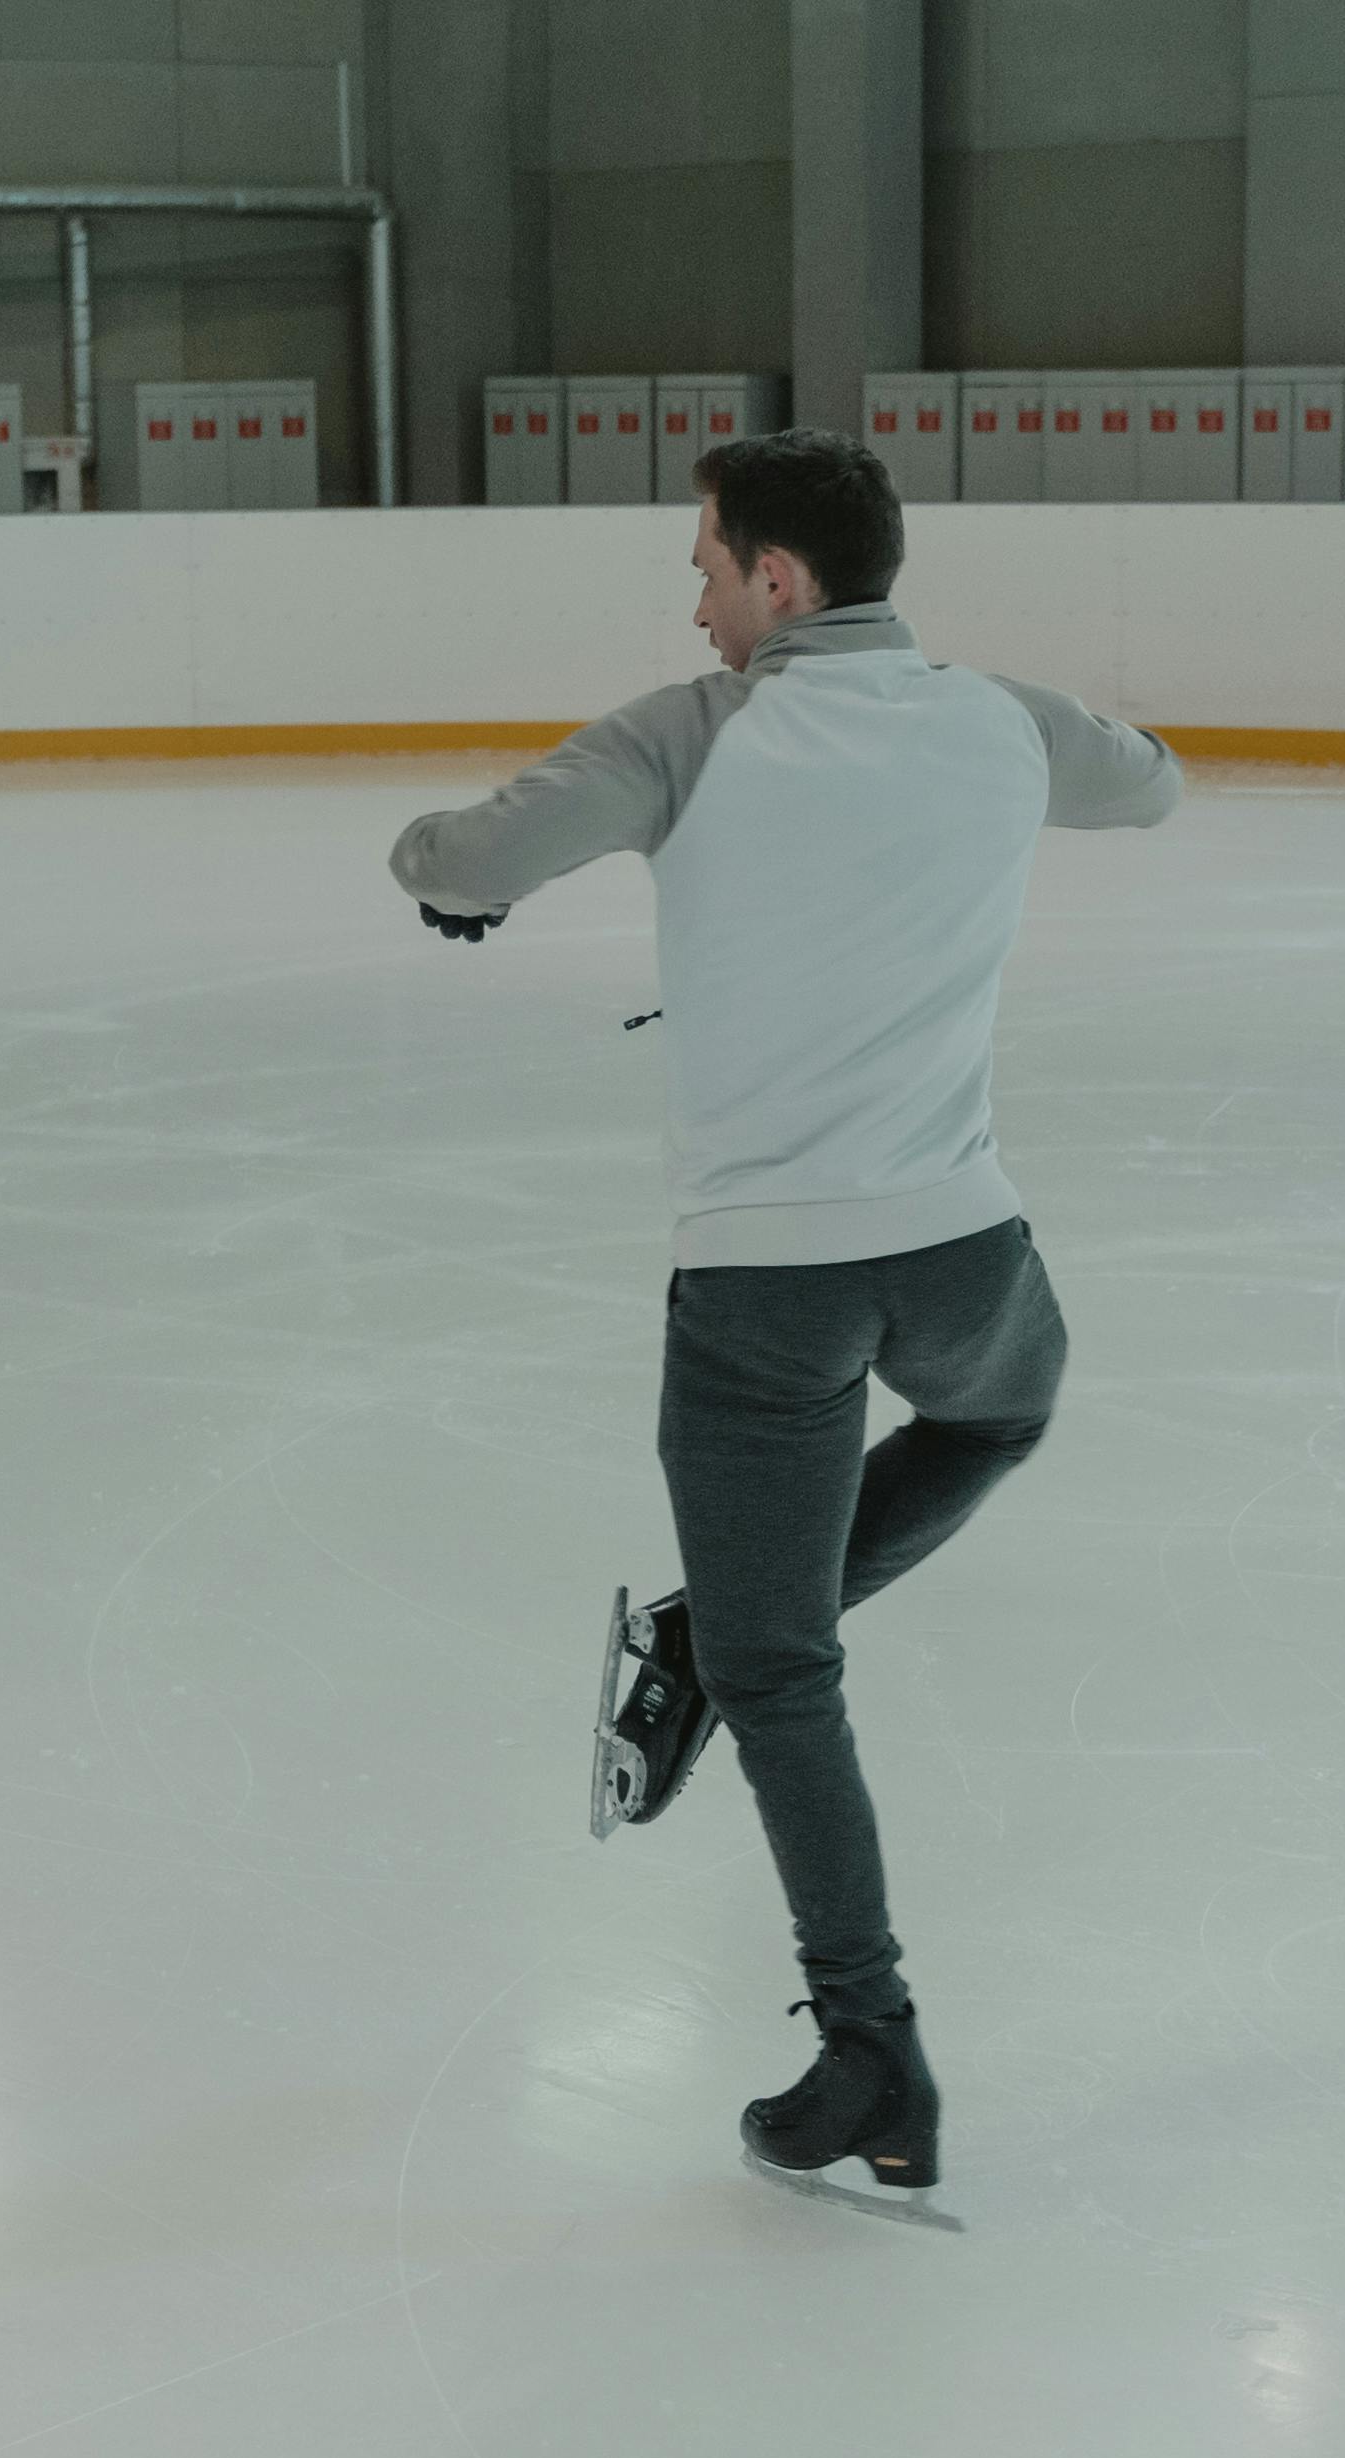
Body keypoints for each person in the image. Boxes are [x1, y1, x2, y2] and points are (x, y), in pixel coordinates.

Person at [388, 426, 1183, 2221]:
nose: (691, 597)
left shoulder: (694, 732)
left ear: (778, 582)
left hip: (763, 1286)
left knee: (776, 1677)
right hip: (963, 1252)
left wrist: (437, 874)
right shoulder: (997, 719)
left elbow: (463, 853)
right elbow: (1151, 784)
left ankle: (868, 2039)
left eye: (705, 564)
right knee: (997, 1414)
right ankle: (719, 1641)